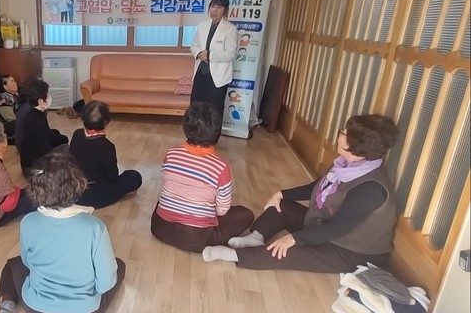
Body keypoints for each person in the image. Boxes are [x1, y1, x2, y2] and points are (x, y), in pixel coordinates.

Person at [204, 114, 399, 274]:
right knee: (283, 206)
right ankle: (256, 237)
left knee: (286, 251)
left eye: (344, 133)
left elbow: (337, 228)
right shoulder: (348, 164)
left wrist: (293, 239)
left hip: (350, 251)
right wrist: (281, 194)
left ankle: (233, 255)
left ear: (355, 146)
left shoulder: (370, 189)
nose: (340, 134)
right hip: (326, 223)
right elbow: (317, 186)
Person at [0, 152, 125, 313]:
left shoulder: (28, 221)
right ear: (78, 185)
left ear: (35, 188)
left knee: (12, 265)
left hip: (35, 309)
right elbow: (105, 284)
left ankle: (6, 308)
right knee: (119, 265)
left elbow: (27, 262)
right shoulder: (95, 227)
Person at [151, 102, 254, 253]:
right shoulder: (221, 167)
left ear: (185, 127)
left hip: (160, 228)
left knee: (165, 198)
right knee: (246, 214)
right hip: (195, 238)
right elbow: (222, 211)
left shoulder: (171, 153)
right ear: (217, 132)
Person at [69, 101, 142, 208]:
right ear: (106, 122)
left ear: (83, 118)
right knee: (134, 176)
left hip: (72, 191)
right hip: (95, 195)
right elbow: (112, 178)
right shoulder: (107, 146)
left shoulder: (77, 134)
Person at [189, 0, 238, 115]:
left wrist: (209, 55)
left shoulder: (230, 29)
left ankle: (212, 129)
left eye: (219, 7)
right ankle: (194, 128)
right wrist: (199, 53)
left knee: (214, 110)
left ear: (225, 10)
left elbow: (230, 54)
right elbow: (193, 45)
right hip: (200, 73)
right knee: (196, 108)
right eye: (213, 6)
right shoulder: (202, 26)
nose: (214, 10)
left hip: (217, 77)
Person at [15, 77, 68, 176]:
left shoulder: (35, 113)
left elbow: (49, 137)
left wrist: (61, 139)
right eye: (47, 95)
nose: (49, 97)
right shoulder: (35, 120)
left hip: (31, 163)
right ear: (40, 101)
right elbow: (45, 150)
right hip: (34, 168)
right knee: (66, 149)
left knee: (61, 141)